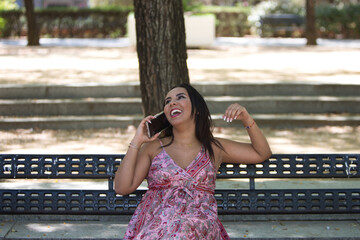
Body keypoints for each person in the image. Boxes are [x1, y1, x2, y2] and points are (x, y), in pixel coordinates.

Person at [114, 83, 272, 239]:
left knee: (184, 227)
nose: (172, 103)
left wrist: (246, 118)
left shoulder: (214, 147)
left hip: (199, 225)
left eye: (180, 97)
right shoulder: (153, 148)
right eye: (167, 102)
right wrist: (137, 141)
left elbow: (261, 153)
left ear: (197, 109)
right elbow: (122, 187)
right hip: (157, 224)